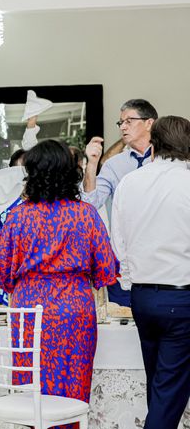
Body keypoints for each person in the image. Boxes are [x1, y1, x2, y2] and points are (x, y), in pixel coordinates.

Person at [0, 139, 118, 429]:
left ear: (32, 174)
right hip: (74, 313)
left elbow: (2, 275)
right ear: (70, 172)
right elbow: (106, 272)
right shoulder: (86, 215)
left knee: (35, 398)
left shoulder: (18, 218)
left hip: (29, 311)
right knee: (70, 397)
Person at [111, 116, 190, 429]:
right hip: (181, 297)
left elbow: (119, 243)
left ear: (154, 144)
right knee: (166, 396)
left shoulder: (130, 182)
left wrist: (131, 283)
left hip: (143, 298)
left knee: (158, 389)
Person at [82, 99, 158, 307]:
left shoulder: (167, 161)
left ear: (149, 123)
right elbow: (90, 203)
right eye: (121, 122)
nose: (123, 126)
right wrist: (93, 163)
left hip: (163, 259)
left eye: (129, 121)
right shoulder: (114, 165)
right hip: (126, 261)